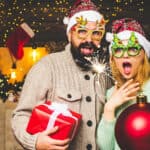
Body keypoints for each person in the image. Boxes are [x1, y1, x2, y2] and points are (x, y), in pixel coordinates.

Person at [11, 0, 112, 150]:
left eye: (96, 33)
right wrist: (35, 142)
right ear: (70, 34)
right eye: (82, 31)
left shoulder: (104, 74)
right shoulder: (47, 67)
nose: (89, 40)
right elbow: (21, 116)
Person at [97, 18, 150, 150]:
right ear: (113, 58)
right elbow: (106, 147)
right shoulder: (111, 93)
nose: (125, 56)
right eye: (119, 50)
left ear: (144, 55)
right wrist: (109, 108)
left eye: (132, 49)